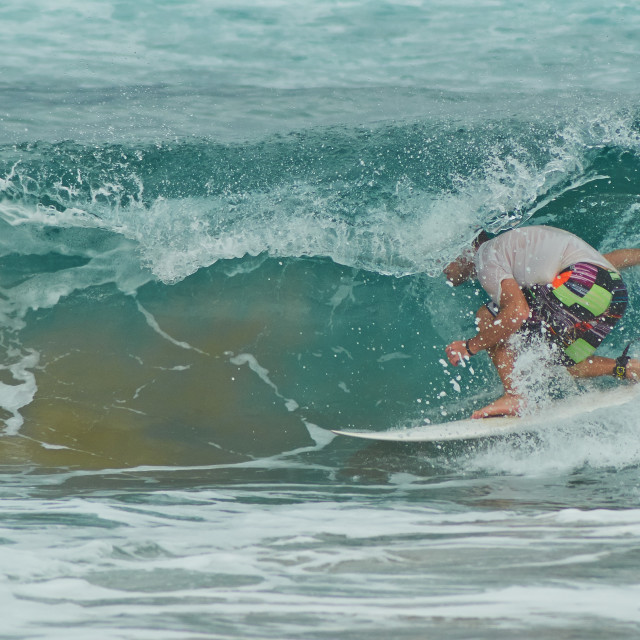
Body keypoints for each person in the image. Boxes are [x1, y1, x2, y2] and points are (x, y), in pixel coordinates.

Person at [443, 225, 640, 419]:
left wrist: (470, 346)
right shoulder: (519, 248)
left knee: (488, 316)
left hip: (579, 284)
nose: (441, 267)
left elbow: (517, 312)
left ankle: (514, 396)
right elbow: (601, 267)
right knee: (557, 358)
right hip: (614, 294)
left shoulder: (485, 256)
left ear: (467, 248)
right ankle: (629, 368)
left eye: (444, 256)